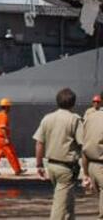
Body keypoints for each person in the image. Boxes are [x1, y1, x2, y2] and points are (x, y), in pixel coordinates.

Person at [33, 88, 83, 220]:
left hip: (52, 166)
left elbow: (39, 143)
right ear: (73, 103)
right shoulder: (75, 119)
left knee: (68, 202)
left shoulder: (47, 118)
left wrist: (39, 165)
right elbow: (83, 143)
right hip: (66, 169)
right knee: (59, 206)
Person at [0, 98, 25, 175]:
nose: (10, 108)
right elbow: (3, 128)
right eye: (9, 106)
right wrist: (6, 138)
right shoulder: (4, 115)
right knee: (11, 153)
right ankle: (17, 170)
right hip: (2, 138)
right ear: (6, 107)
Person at [82, 92, 103, 219]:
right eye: (94, 101)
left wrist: (85, 172)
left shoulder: (90, 117)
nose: (95, 103)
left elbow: (85, 143)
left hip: (92, 164)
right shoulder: (88, 113)